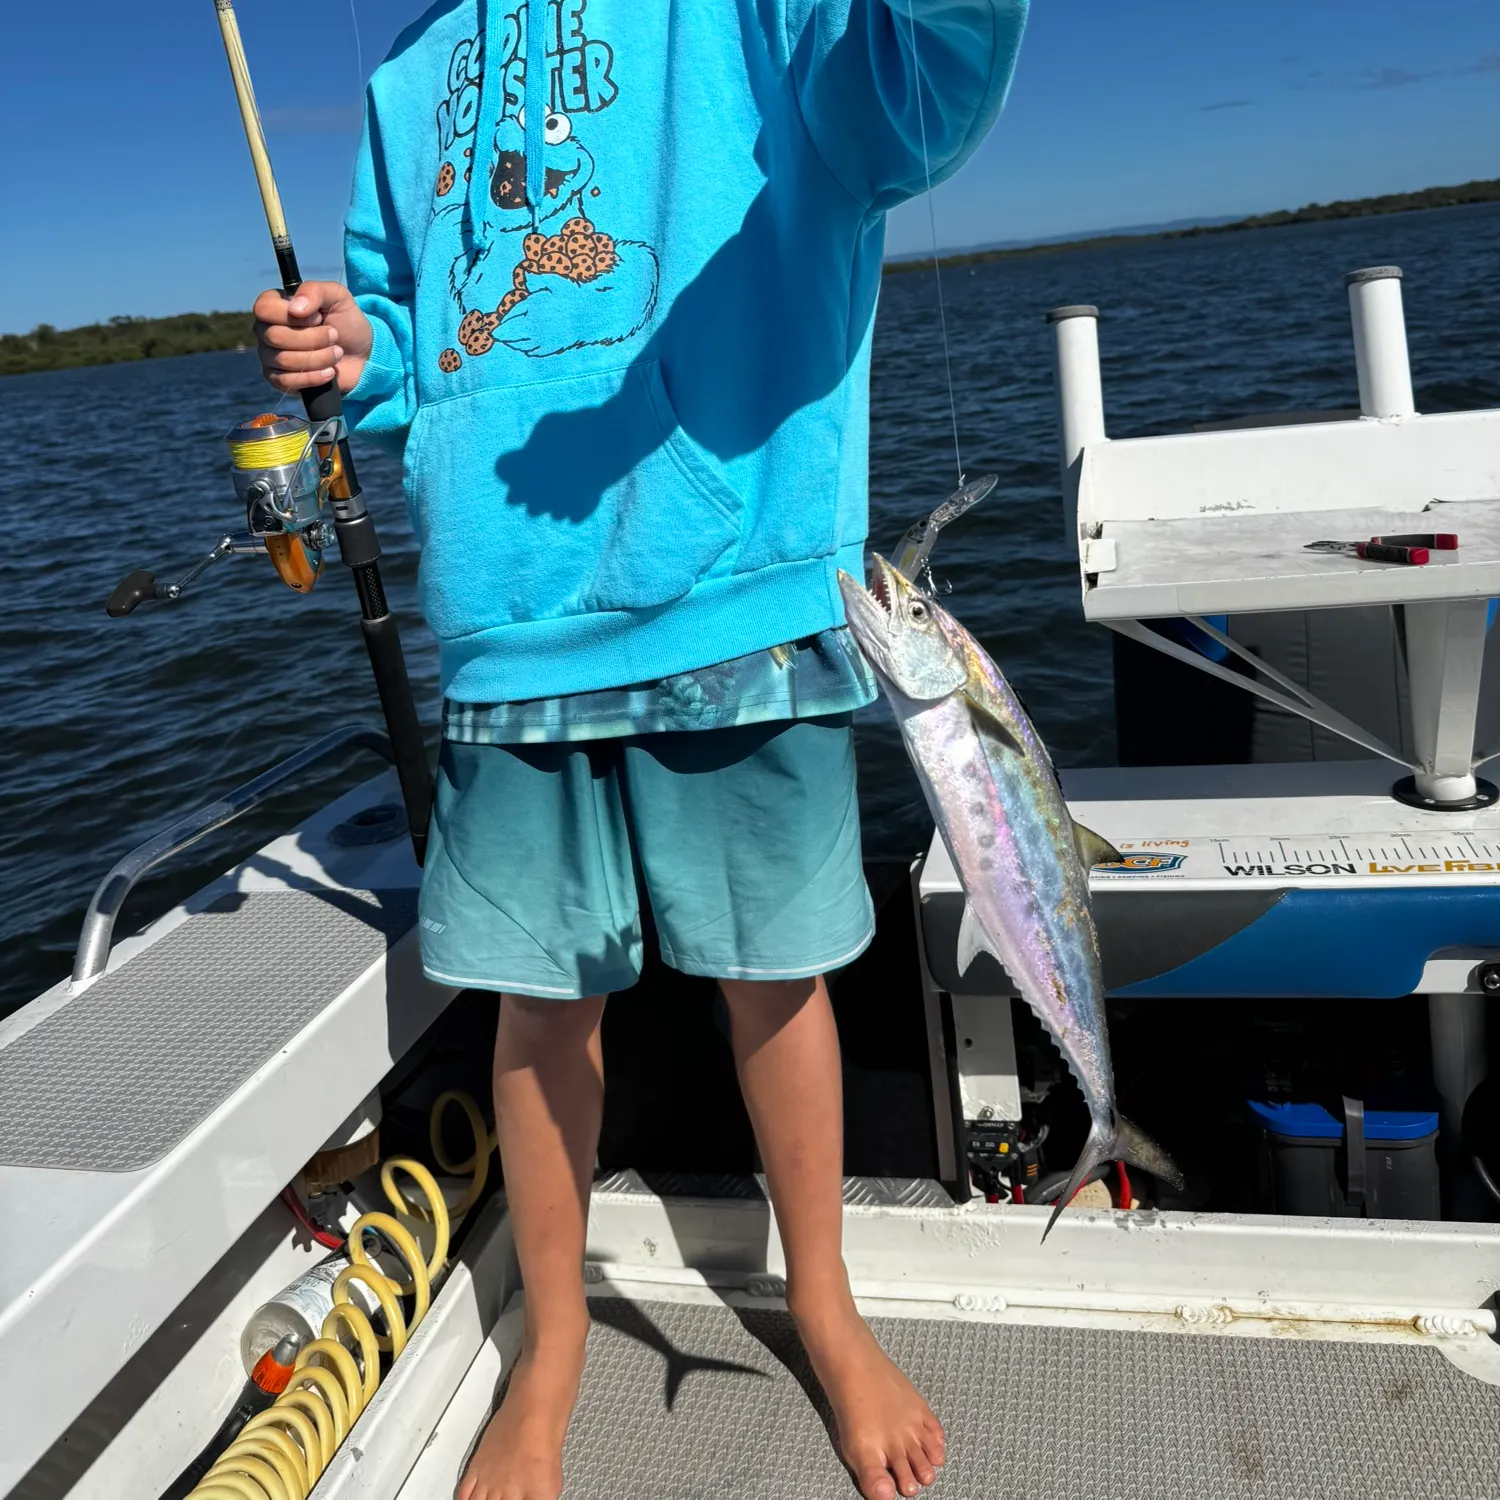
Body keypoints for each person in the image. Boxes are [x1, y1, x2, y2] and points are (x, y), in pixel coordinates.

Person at [253, 4, 1028, 1496]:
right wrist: (360, 347)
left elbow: (906, 107)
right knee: (538, 1012)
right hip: (504, 625)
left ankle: (822, 1298)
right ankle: (554, 1344)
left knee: (772, 977)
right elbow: (417, 336)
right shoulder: (406, 74)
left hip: (736, 581)